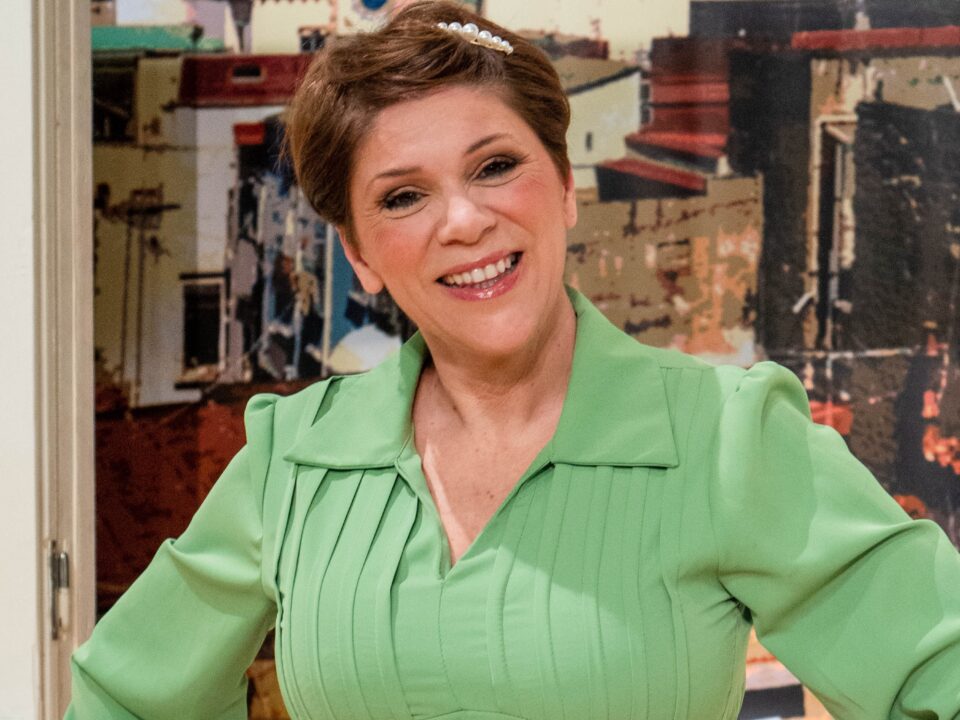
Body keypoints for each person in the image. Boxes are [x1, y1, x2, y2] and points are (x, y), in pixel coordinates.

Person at [67, 2, 960, 718]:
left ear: (566, 186)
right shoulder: (292, 460)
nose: (463, 221)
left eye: (494, 166)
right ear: (360, 253)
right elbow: (125, 697)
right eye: (404, 196)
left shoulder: (730, 438)